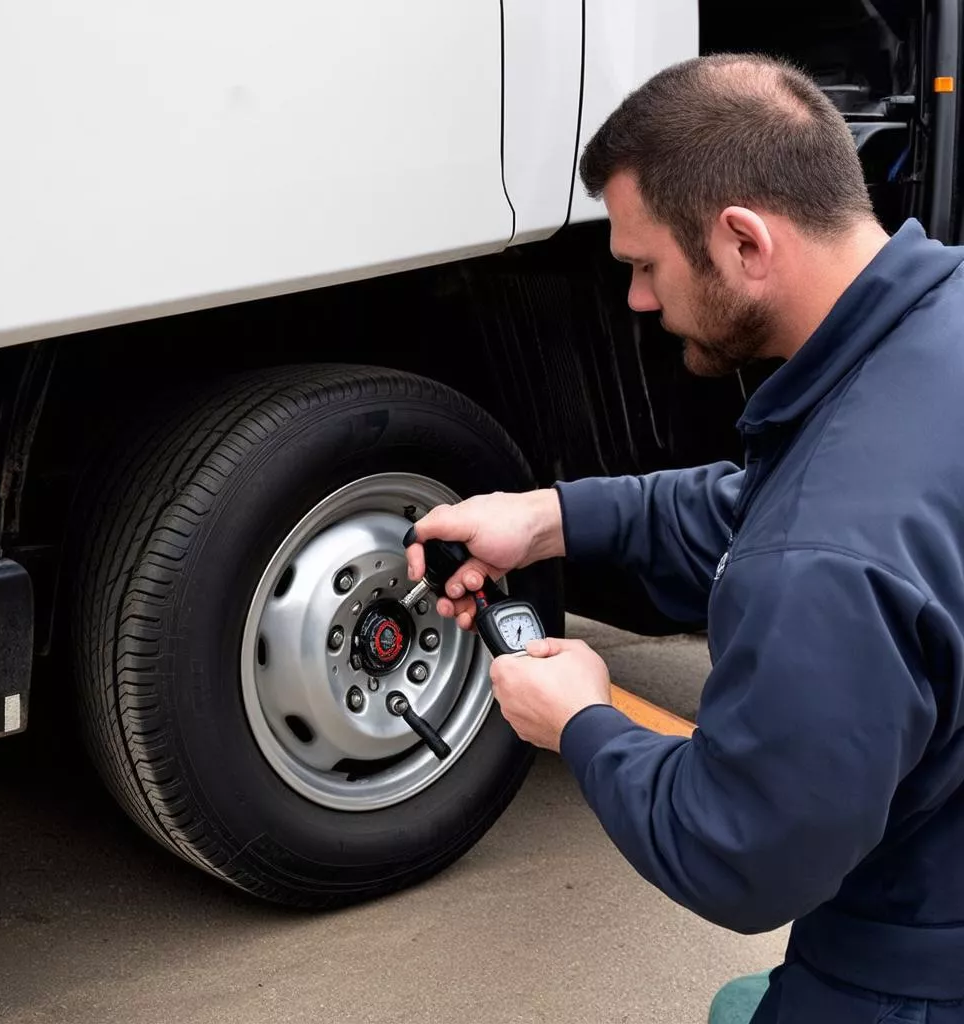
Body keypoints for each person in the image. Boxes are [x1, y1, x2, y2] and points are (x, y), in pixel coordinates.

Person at [405, 54, 964, 1023]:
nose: (634, 300)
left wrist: (583, 719)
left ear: (745, 242)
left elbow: (740, 851)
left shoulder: (823, 553)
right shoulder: (927, 337)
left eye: (642, 265)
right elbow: (769, 500)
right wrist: (552, 516)